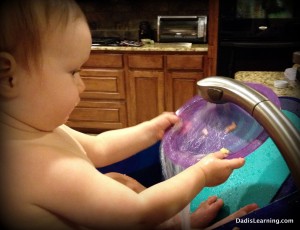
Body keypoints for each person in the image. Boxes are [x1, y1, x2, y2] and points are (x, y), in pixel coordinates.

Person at [0, 0, 258, 229]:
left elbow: (99, 146)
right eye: (73, 72)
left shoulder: (40, 130)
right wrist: (201, 174)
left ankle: (178, 224)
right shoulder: (32, 166)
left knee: (117, 181)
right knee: (128, 201)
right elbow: (139, 213)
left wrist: (151, 129)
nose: (83, 84)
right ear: (8, 77)